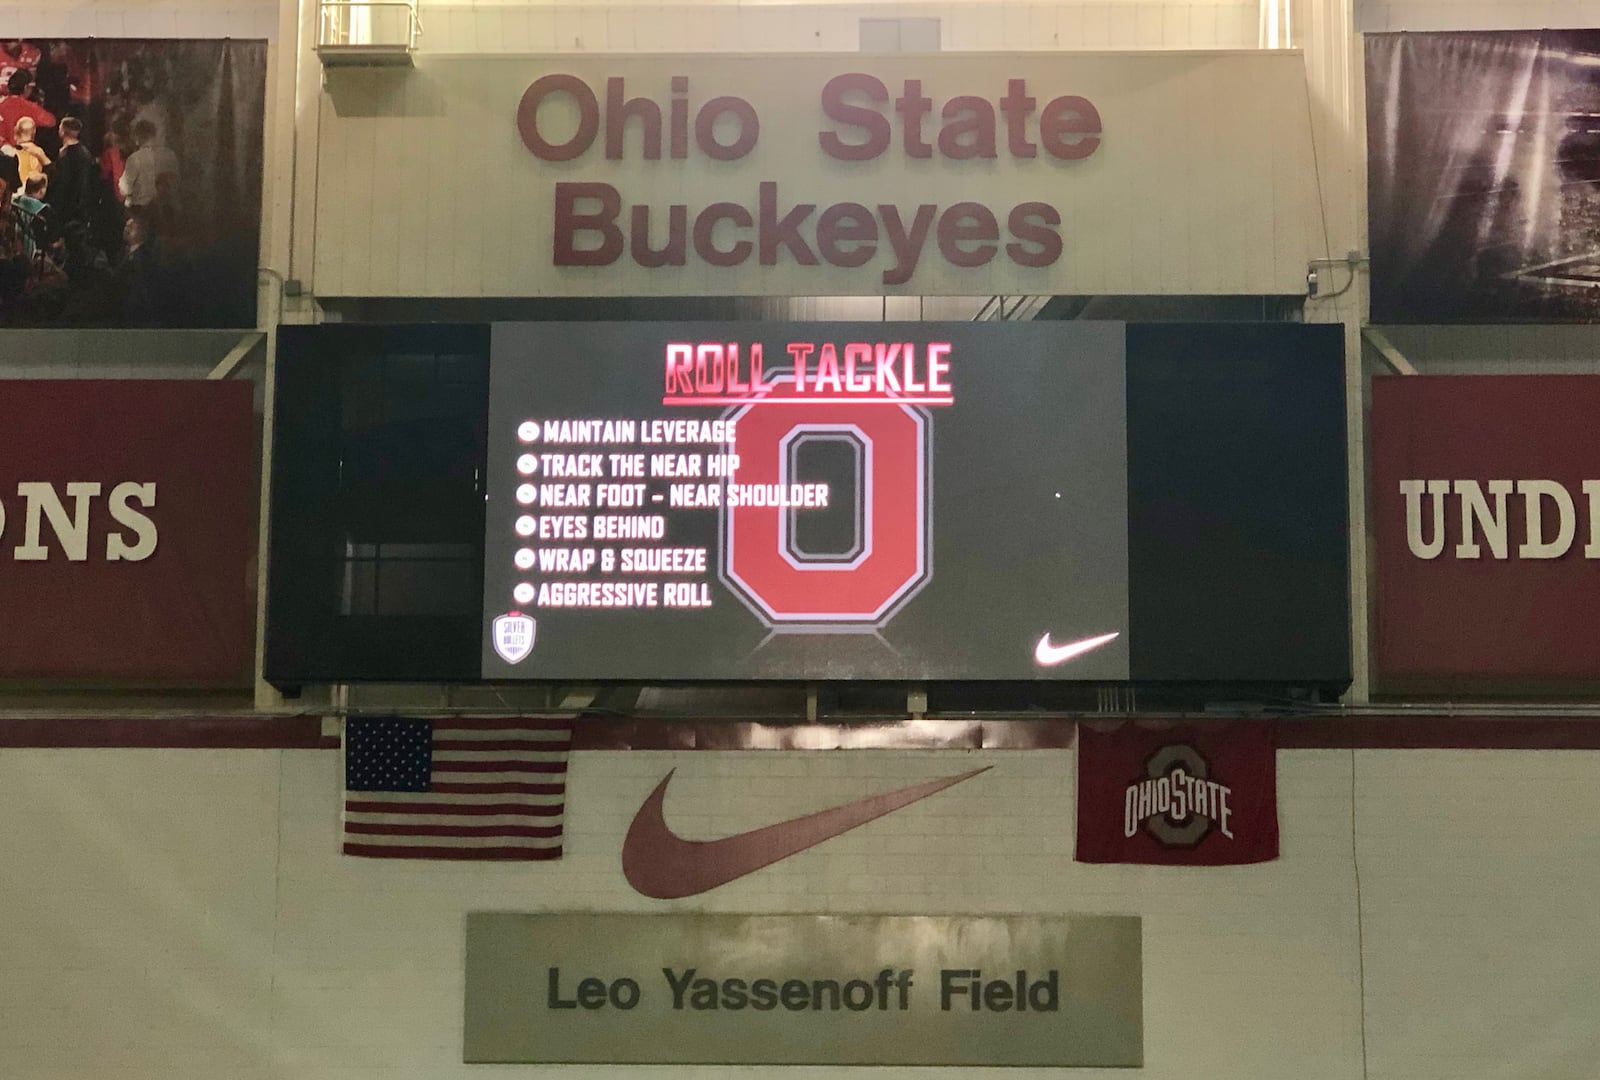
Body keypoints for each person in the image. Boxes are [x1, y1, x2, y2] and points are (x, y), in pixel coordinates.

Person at [118, 118, 178, 230]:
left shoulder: (135, 159)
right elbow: (176, 183)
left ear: (137, 138)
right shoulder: (169, 155)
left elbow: (124, 189)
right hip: (167, 211)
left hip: (141, 213)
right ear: (154, 135)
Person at [0, 69, 54, 148]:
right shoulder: (30, 107)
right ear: (26, 87)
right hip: (21, 153)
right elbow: (51, 121)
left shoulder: (2, 103)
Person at [11, 115, 49, 190]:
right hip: (33, 192)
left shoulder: (9, 153)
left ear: (16, 131)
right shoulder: (40, 153)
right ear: (34, 132)